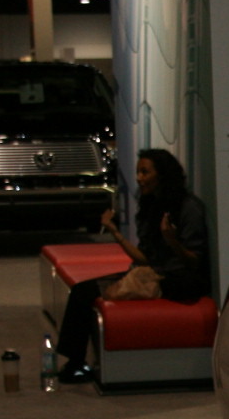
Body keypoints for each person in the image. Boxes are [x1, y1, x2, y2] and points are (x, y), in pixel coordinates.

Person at [53, 148, 210, 385]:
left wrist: (172, 241)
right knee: (82, 290)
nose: (139, 178)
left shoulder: (188, 207)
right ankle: (75, 362)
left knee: (89, 292)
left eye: (145, 172)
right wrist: (115, 232)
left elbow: (194, 261)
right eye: (138, 172)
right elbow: (145, 259)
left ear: (162, 174)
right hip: (155, 272)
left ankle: (76, 363)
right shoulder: (151, 206)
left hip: (180, 281)